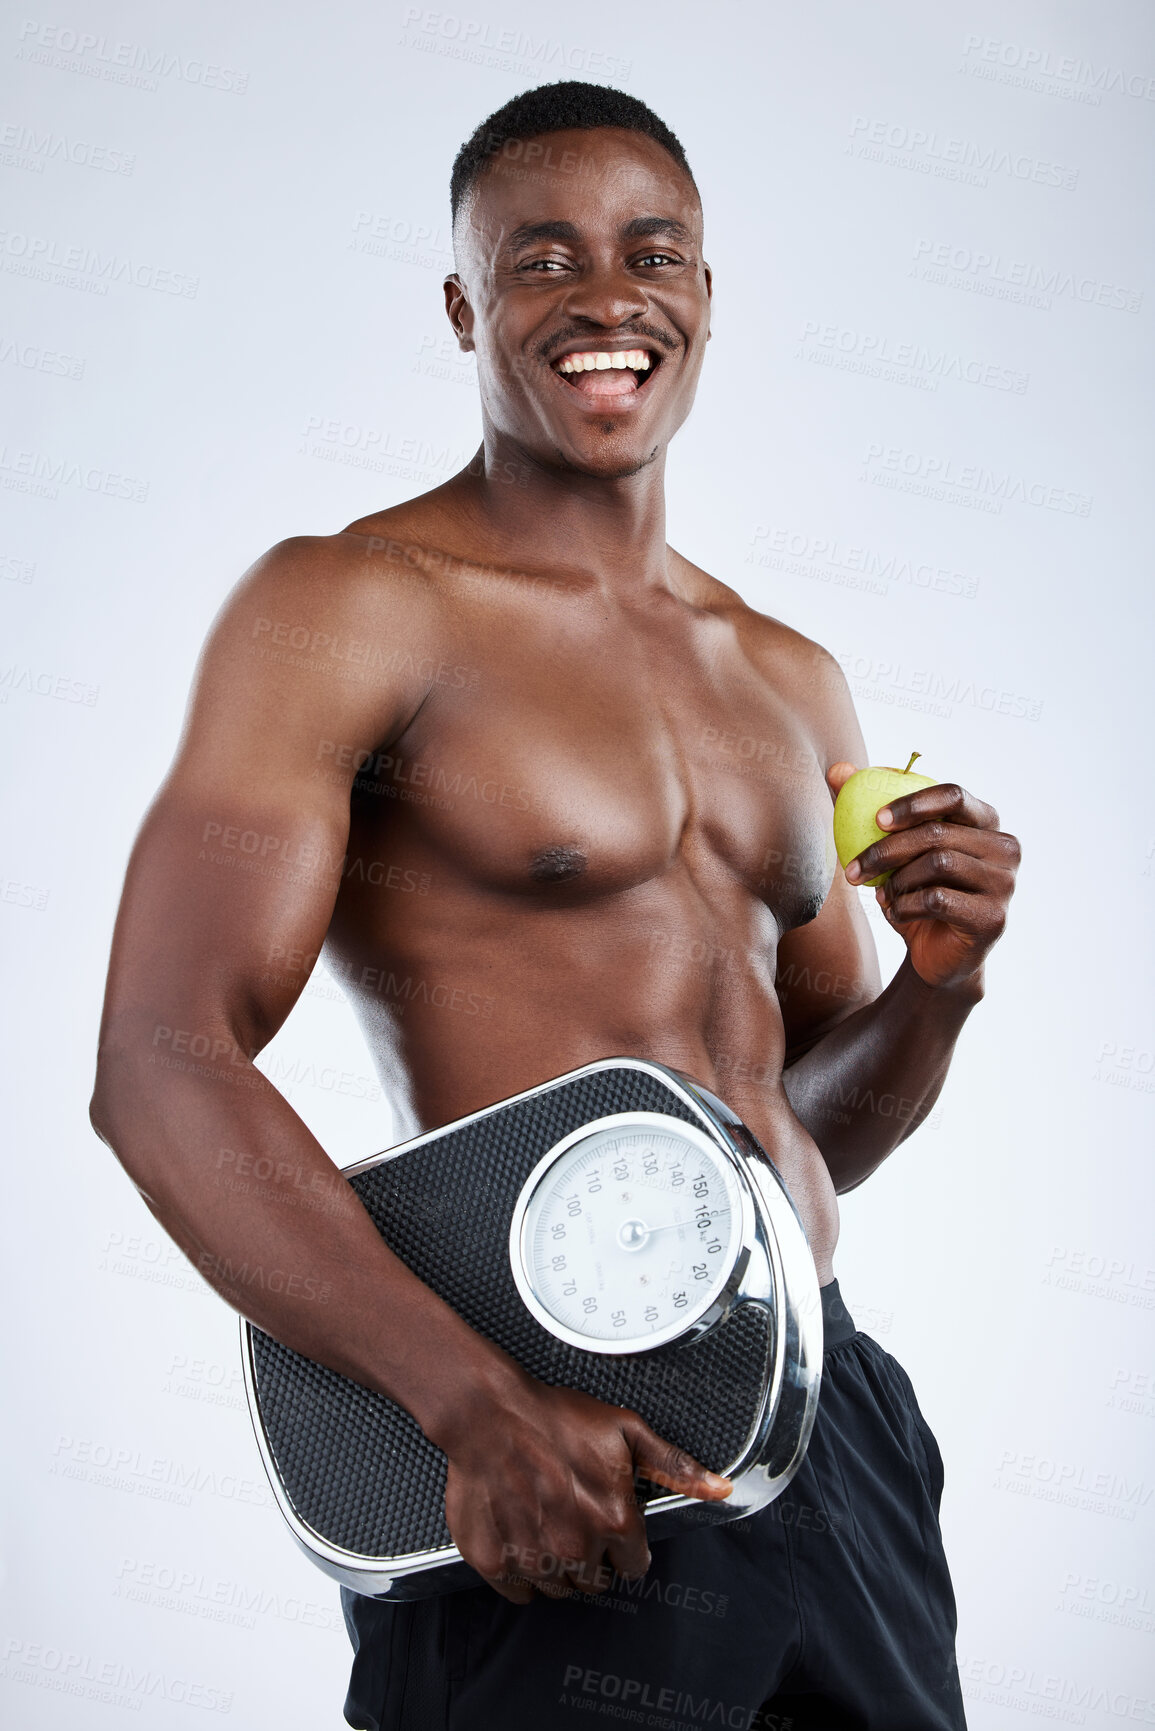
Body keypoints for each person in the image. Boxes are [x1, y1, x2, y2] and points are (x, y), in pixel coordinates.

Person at [90, 81, 1019, 1731]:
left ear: (708, 296)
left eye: (652, 252)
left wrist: (933, 990)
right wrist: (470, 1407)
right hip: (555, 1434)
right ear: (465, 304)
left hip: (837, 1430)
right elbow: (163, 1058)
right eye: (543, 261)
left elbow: (784, 1145)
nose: (608, 299)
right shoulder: (354, 606)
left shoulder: (792, 680)